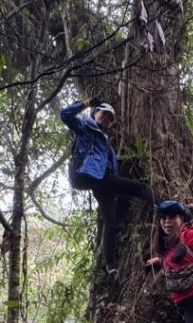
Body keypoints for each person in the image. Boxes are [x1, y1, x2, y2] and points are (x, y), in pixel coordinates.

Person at [60, 98, 156, 266]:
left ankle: (110, 265)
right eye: (103, 114)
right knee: (142, 188)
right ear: (95, 113)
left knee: (111, 223)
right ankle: (161, 209)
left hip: (102, 183)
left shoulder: (107, 145)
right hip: (91, 176)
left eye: (109, 118)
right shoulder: (86, 128)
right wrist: (87, 103)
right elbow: (65, 115)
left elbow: (113, 168)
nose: (105, 119)